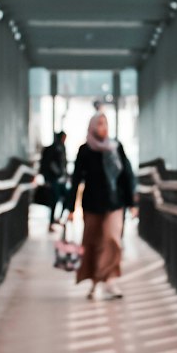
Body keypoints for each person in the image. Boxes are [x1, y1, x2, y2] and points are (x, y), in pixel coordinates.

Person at [66, 112, 137, 299]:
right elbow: (76, 180)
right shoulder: (85, 150)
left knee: (112, 239)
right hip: (92, 203)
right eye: (98, 123)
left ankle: (111, 279)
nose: (102, 127)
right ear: (91, 127)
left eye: (104, 123)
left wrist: (132, 203)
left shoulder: (116, 147)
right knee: (94, 241)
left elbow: (127, 175)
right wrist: (71, 207)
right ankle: (96, 281)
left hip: (115, 203)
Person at [37, 130, 69, 227]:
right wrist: (56, 175)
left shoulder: (62, 148)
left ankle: (57, 218)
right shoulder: (53, 149)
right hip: (54, 179)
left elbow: (63, 164)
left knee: (67, 197)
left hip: (61, 180)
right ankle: (51, 222)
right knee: (54, 199)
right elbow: (49, 164)